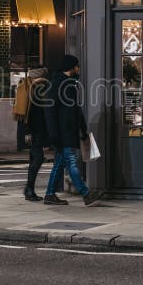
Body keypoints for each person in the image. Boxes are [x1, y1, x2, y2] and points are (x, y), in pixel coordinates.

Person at [43, 54, 103, 206]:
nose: (78, 68)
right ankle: (86, 193)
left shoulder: (70, 83)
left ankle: (50, 194)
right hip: (62, 132)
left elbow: (76, 109)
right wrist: (54, 133)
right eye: (77, 66)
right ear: (71, 67)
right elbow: (50, 110)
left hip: (68, 130)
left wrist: (82, 128)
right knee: (71, 161)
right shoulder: (58, 84)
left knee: (60, 163)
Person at [22, 66, 50, 201]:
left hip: (32, 130)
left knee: (34, 159)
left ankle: (29, 190)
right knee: (38, 158)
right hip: (35, 130)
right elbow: (32, 112)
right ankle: (28, 188)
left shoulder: (30, 87)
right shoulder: (36, 88)